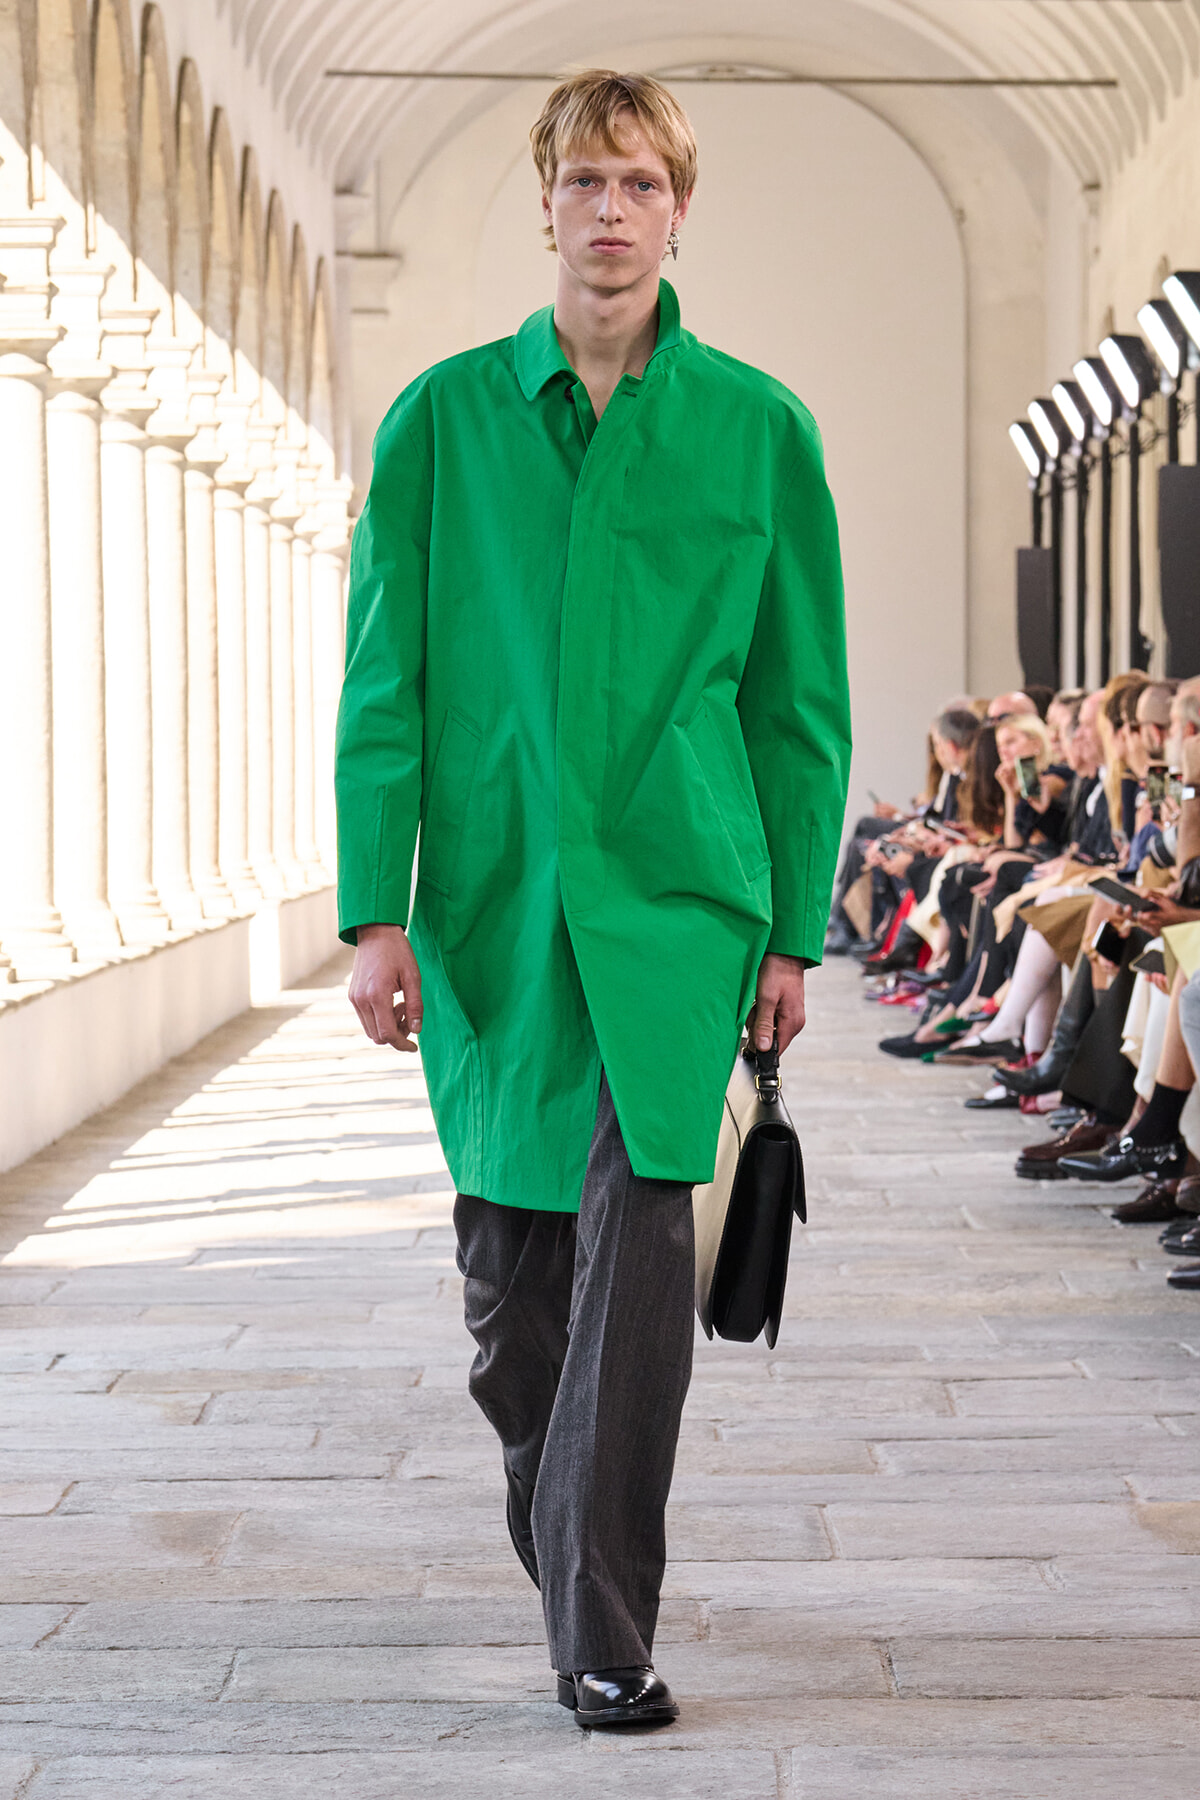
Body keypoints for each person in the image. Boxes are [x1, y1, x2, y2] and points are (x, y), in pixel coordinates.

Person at [334, 70, 851, 1729]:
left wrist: (789, 934)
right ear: (545, 201)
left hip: (682, 916)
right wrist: (374, 907)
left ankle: (606, 1635)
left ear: (680, 209)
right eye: (584, 181)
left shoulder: (761, 432)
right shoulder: (438, 423)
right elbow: (385, 686)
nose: (611, 209)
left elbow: (798, 706)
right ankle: (576, 1558)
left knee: (639, 1277)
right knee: (514, 1314)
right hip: (492, 911)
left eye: (640, 182)